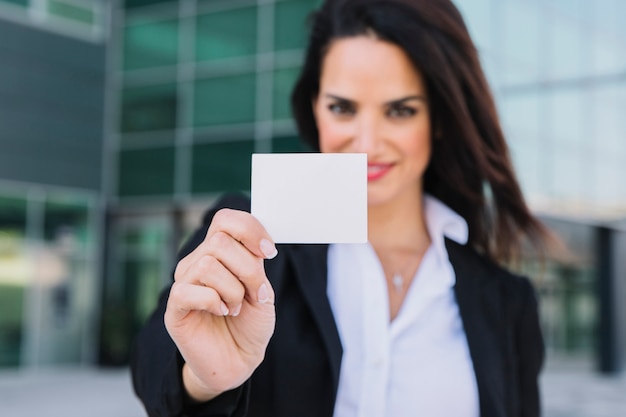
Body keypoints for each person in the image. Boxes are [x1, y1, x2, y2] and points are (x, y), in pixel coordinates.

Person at [131, 0, 549, 416]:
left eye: (401, 110)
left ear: (438, 119)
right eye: (342, 108)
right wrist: (202, 379)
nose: (367, 142)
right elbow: (152, 366)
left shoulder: (506, 302)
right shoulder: (250, 242)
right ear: (315, 107)